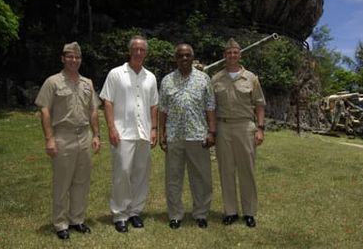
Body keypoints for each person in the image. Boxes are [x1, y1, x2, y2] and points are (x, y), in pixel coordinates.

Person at [35, 42, 101, 239]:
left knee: (81, 181)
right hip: (63, 136)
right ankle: (60, 223)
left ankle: (77, 219)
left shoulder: (87, 83)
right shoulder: (53, 82)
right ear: (63, 59)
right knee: (62, 182)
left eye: (77, 57)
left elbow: (94, 110)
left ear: (80, 60)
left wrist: (96, 134)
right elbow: (45, 110)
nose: (74, 60)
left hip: (84, 136)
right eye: (70, 57)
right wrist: (49, 139)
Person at [99, 35, 158, 233]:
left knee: (140, 174)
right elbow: (108, 102)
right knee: (122, 173)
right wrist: (111, 128)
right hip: (123, 132)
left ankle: (135, 212)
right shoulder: (116, 74)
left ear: (146, 53)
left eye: (142, 50)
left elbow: (154, 105)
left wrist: (154, 128)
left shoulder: (150, 77)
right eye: (136, 49)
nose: (139, 52)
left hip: (144, 132)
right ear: (130, 51)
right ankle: (120, 214)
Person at [159, 43, 216, 229]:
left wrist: (211, 131)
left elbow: (210, 107)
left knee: (201, 177)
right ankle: (175, 214)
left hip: (197, 135)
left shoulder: (204, 79)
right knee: (173, 177)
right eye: (180, 55)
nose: (184, 58)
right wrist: (161, 133)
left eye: (187, 55)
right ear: (176, 58)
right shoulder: (167, 80)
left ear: (192, 57)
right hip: (174, 135)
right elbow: (162, 110)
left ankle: (200, 213)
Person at [211, 38, 266, 228]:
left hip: (245, 127)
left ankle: (249, 212)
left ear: (240, 55)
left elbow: (259, 104)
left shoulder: (251, 78)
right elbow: (210, 107)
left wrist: (260, 128)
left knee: (246, 171)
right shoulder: (216, 79)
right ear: (224, 56)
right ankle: (231, 211)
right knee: (226, 170)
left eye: (235, 52)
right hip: (223, 127)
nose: (232, 55)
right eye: (228, 53)